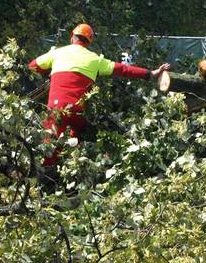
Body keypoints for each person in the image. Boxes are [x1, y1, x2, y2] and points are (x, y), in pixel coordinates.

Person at [29, 23, 170, 166]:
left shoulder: (57, 53)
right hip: (78, 112)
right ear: (88, 42)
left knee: (49, 146)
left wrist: (48, 71)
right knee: (75, 142)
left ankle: (46, 175)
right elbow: (123, 69)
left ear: (72, 37)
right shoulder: (95, 59)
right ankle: (73, 168)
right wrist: (149, 73)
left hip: (56, 108)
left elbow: (32, 66)